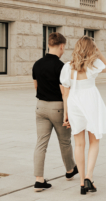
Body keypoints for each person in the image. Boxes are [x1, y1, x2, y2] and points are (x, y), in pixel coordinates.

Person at [60, 36, 106, 195]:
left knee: (79, 144)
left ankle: (82, 182)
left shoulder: (66, 67)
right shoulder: (93, 65)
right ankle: (90, 175)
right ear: (91, 49)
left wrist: (66, 114)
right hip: (91, 102)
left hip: (74, 103)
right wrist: (97, 50)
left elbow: (65, 91)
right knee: (94, 140)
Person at [32, 32, 78, 192]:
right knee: (64, 141)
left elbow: (36, 87)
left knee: (41, 143)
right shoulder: (62, 67)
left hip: (40, 107)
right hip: (58, 107)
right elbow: (65, 93)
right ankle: (70, 170)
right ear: (61, 46)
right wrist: (67, 114)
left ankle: (39, 180)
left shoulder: (36, 64)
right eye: (64, 48)